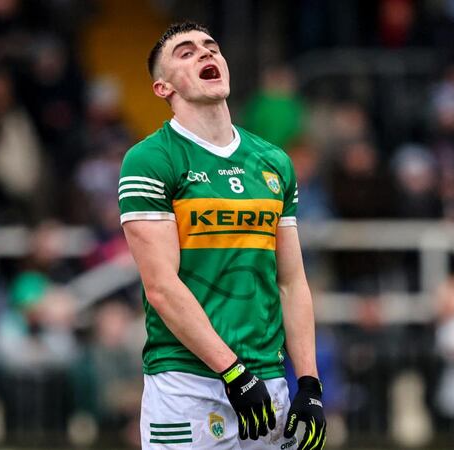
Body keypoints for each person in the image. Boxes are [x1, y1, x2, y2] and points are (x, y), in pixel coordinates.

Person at [118, 22, 326, 450]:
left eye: (211, 46)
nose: (205, 53)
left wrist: (308, 382)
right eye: (186, 52)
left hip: (268, 380)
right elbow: (161, 287)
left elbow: (291, 281)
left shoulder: (274, 161)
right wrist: (232, 370)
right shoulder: (149, 159)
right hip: (188, 384)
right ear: (162, 88)